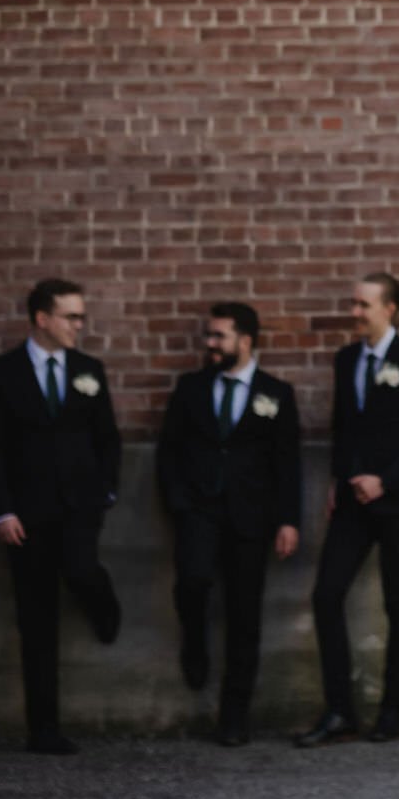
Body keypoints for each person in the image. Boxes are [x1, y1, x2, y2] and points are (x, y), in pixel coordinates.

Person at [296, 273, 399, 746]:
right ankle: (339, 710)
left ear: (390, 308)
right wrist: (338, 480)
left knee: (397, 601)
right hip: (350, 504)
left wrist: (385, 480)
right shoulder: (346, 360)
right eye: (354, 304)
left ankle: (392, 711)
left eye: (363, 305)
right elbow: (343, 428)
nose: (355, 313)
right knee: (326, 595)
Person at [0, 279, 122, 755]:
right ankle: (43, 729)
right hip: (27, 513)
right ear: (42, 318)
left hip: (81, 507)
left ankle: (104, 603)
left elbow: (107, 437)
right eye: (70, 316)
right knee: (36, 617)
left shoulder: (88, 370)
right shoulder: (3, 373)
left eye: (81, 316)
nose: (79, 325)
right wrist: (2, 510)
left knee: (82, 570)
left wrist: (106, 490)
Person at [157, 302, 302, 745]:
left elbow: (287, 463)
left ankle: (234, 717)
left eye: (218, 336)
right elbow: (169, 450)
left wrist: (288, 520)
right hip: (198, 511)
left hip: (250, 518)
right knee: (192, 581)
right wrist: (179, 503)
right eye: (209, 335)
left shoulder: (276, 393)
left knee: (245, 615)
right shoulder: (191, 388)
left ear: (245, 340)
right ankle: (194, 640)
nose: (210, 344)